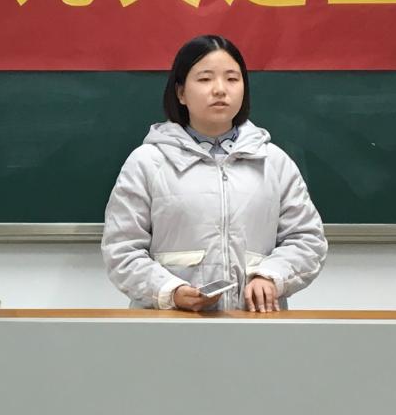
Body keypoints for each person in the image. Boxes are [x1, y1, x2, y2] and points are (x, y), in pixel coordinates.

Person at [102, 34, 327, 312]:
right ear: (180, 93)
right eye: (205, 79)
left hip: (254, 322)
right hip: (169, 323)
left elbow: (307, 239)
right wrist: (171, 292)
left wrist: (270, 276)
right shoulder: (148, 162)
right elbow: (122, 250)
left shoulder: (273, 162)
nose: (220, 90)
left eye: (232, 79)